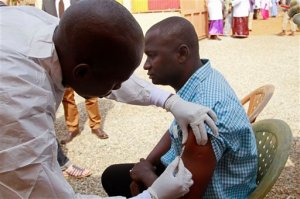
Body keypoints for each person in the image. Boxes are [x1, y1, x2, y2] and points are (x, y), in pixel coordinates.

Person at [0, 0, 218, 198]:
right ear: (82, 73)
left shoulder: (43, 27)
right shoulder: (18, 102)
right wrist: (153, 196)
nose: (117, 89)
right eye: (115, 84)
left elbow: (104, 69)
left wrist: (170, 101)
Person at [101, 16, 257, 198]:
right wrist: (147, 163)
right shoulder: (200, 80)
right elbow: (175, 130)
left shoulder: (203, 118)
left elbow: (187, 197)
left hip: (211, 192)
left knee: (118, 181)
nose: (146, 66)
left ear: (182, 54)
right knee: (113, 176)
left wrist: (147, 176)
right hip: (186, 171)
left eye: (152, 55)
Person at [42, 0, 109, 144]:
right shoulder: (47, 2)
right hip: (59, 54)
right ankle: (73, 128)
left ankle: (96, 126)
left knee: (91, 92)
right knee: (67, 95)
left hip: (82, 53)